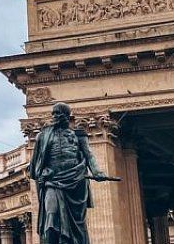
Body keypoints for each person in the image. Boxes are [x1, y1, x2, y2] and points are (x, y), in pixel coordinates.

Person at [27, 102, 111, 244]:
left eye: (58, 113)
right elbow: (34, 165)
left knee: (77, 225)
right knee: (51, 217)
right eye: (53, 113)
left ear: (66, 116)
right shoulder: (43, 136)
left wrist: (97, 171)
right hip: (52, 182)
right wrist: (42, 172)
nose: (54, 116)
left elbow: (89, 155)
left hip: (75, 181)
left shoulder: (78, 136)